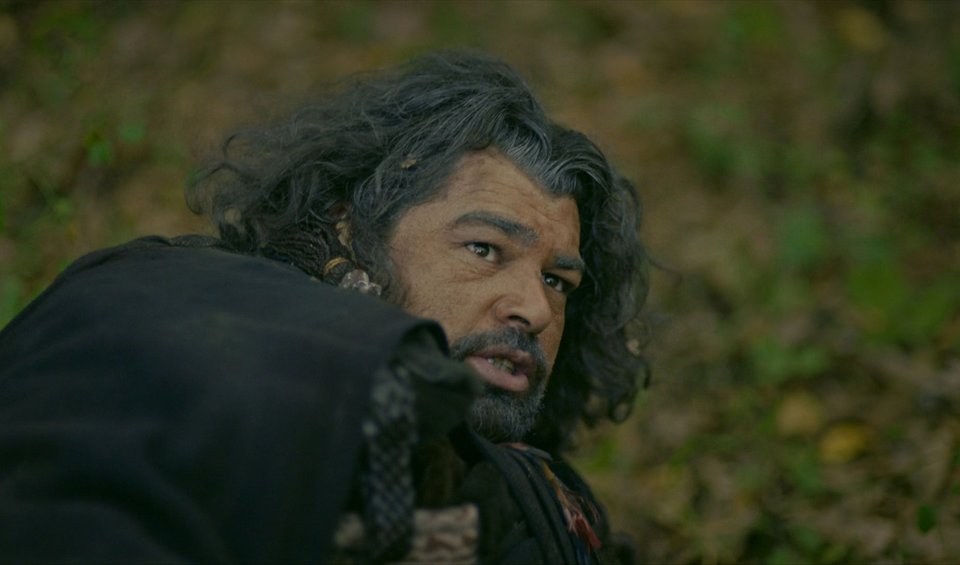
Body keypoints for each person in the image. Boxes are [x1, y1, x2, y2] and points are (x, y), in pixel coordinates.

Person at [0, 51, 648, 563]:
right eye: (484, 248)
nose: (535, 307)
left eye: (558, 280)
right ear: (352, 226)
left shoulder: (531, 490)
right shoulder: (169, 305)